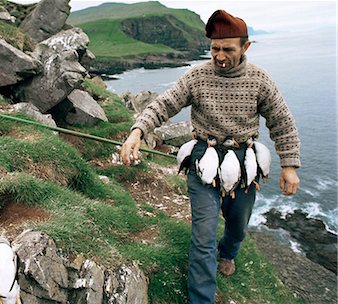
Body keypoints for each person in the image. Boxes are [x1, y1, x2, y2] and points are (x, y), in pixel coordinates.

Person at [120, 9, 301, 304]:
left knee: (238, 224)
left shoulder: (260, 80)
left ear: (245, 47)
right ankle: (201, 299)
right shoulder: (197, 76)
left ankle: (228, 252)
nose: (219, 56)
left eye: (227, 49)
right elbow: (164, 104)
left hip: (245, 162)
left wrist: (289, 166)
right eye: (214, 48)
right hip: (204, 156)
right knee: (203, 235)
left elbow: (282, 121)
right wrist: (137, 131)